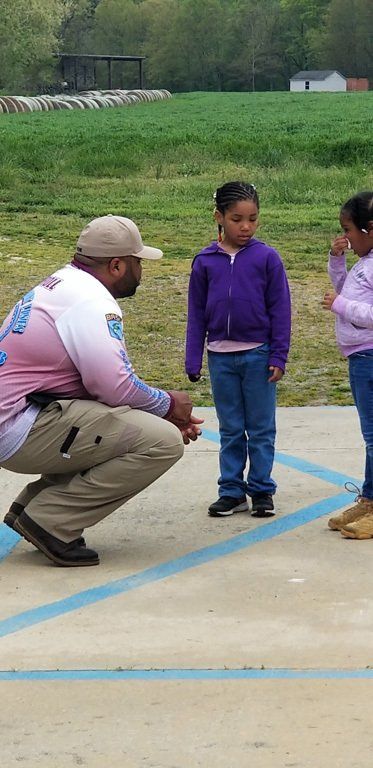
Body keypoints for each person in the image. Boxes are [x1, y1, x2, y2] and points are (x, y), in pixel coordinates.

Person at [0, 214, 203, 567]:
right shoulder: (92, 302)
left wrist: (159, 410)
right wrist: (169, 404)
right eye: (138, 262)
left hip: (21, 418)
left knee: (128, 426)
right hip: (19, 428)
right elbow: (114, 386)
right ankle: (51, 520)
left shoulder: (61, 283)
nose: (141, 270)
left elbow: (103, 391)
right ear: (116, 265)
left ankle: (33, 507)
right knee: (161, 442)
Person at [185, 181, 291, 518]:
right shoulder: (204, 261)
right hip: (220, 357)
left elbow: (281, 310)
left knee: (260, 428)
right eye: (236, 219)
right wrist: (193, 357)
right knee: (230, 428)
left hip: (258, 355)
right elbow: (196, 313)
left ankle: (261, 490)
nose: (245, 226)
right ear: (218, 217)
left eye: (252, 219)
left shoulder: (267, 258)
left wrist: (278, 355)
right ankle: (231, 490)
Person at [322, 190, 373, 539]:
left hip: (370, 356)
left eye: (349, 230)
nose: (346, 237)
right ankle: (369, 500)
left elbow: (361, 309)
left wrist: (340, 306)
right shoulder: (364, 264)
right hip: (360, 356)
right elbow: (346, 289)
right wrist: (337, 259)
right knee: (371, 437)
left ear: (369, 229)